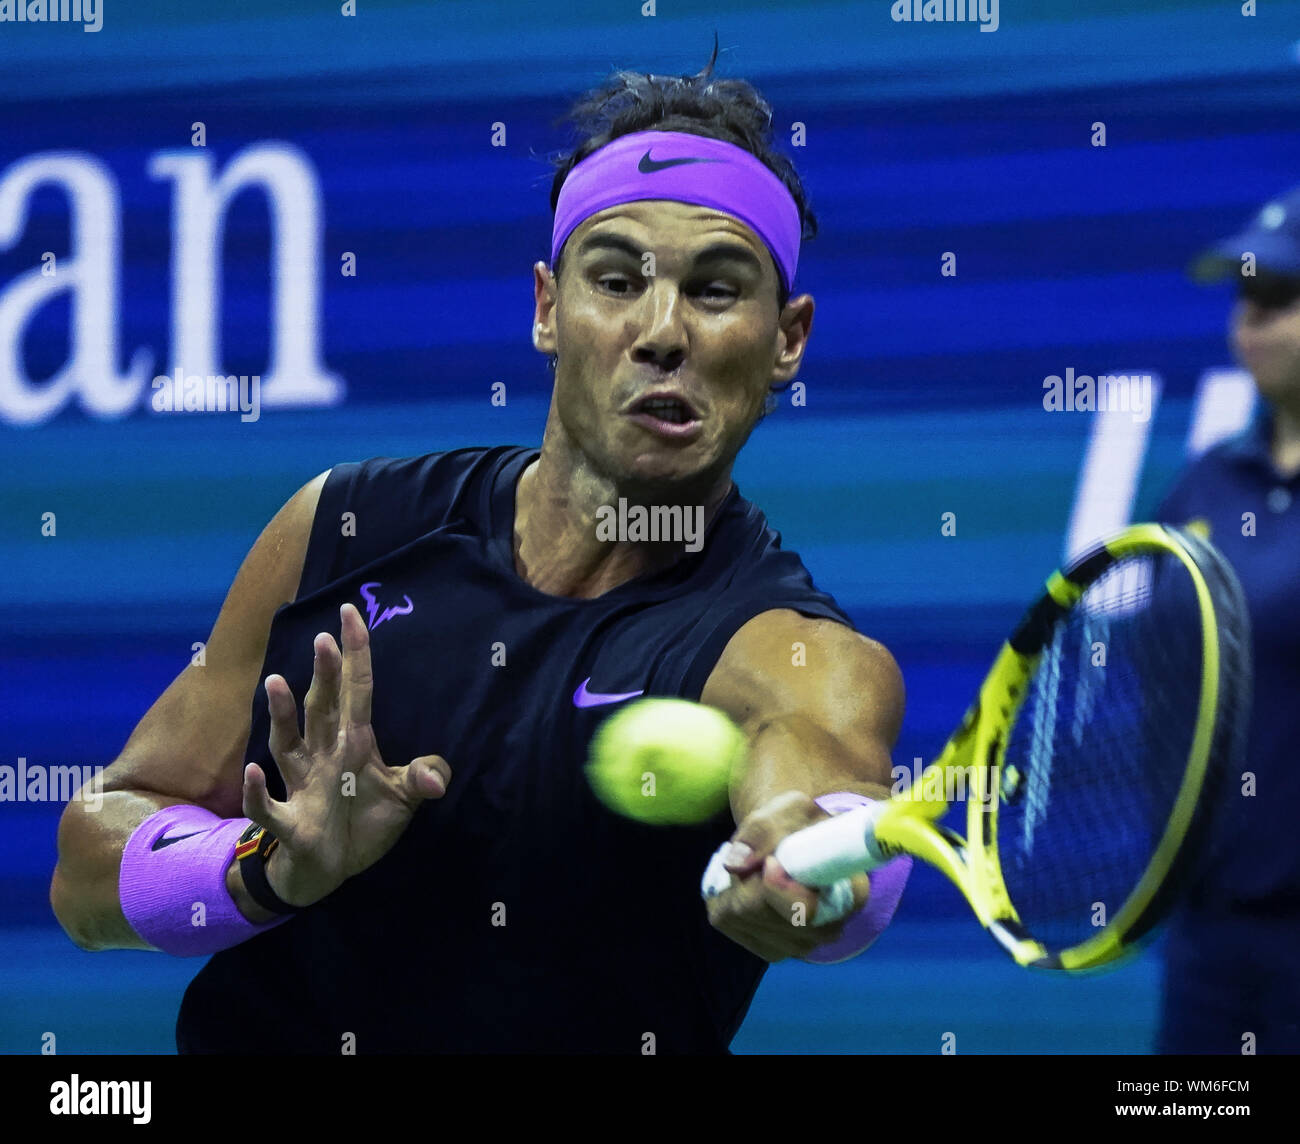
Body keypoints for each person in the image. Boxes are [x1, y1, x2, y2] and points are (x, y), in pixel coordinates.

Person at [49, 49, 912, 1054]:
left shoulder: (795, 653)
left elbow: (833, 816)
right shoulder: (344, 529)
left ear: (786, 340)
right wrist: (265, 868)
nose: (662, 331)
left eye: (716, 290)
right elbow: (83, 873)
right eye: (617, 279)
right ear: (547, 307)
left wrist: (810, 871)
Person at [1153, 186, 1300, 1054]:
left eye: (1279, 299)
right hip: (1211, 937)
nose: (1250, 321)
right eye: (1243, 298)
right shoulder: (1207, 483)